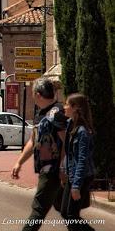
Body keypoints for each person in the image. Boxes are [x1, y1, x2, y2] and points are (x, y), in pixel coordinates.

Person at [11, 78, 67, 231]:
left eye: (32, 94)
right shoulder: (41, 114)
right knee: (66, 211)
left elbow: (66, 141)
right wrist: (19, 162)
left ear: (37, 94)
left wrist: (63, 167)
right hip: (48, 169)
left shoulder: (57, 112)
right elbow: (32, 141)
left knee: (38, 208)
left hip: (53, 170)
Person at [60, 93, 95, 230]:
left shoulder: (82, 132)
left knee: (71, 215)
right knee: (65, 212)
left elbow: (82, 160)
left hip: (82, 176)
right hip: (72, 174)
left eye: (67, 104)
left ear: (75, 108)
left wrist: (76, 186)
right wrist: (64, 171)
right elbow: (69, 154)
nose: (64, 107)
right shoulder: (70, 125)